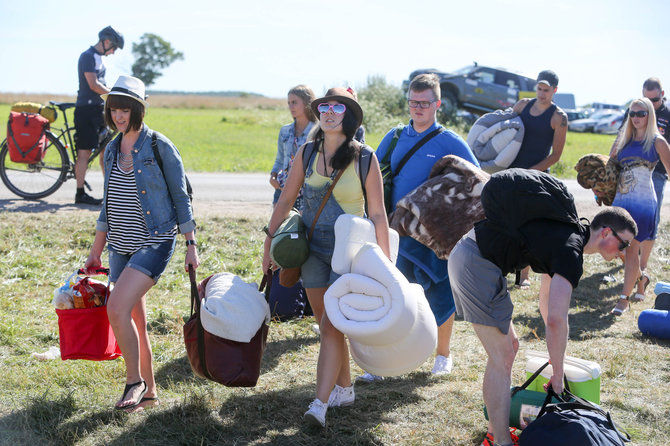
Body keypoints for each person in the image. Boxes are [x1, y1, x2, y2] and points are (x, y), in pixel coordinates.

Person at [448, 176, 637, 446]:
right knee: (501, 355)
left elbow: (547, 307)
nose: (623, 252)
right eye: (624, 244)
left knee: (509, 348)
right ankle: (499, 441)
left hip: (475, 257)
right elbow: (557, 321)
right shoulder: (570, 251)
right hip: (476, 262)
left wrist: (555, 361)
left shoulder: (568, 235)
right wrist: (557, 374)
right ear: (606, 232)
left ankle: (495, 432)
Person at [262, 87, 390, 427]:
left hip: (348, 251)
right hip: (312, 251)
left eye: (338, 107)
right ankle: (345, 388)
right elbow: (286, 200)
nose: (330, 112)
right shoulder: (306, 152)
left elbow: (378, 215)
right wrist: (268, 245)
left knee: (333, 324)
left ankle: (318, 404)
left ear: (347, 116)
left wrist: (385, 263)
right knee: (325, 325)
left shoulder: (365, 158)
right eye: (325, 107)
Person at [84, 75, 199, 411]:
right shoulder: (109, 150)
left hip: (154, 240)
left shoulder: (158, 146)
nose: (120, 116)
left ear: (138, 110)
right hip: (120, 245)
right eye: (114, 110)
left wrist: (191, 244)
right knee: (136, 320)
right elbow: (107, 203)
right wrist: (95, 251)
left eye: (126, 109)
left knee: (116, 308)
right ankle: (149, 393)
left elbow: (181, 197)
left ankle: (132, 381)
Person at [366, 73, 480, 381]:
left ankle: (443, 355)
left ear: (437, 104)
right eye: (413, 102)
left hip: (433, 234)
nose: (417, 108)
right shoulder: (394, 136)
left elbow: (476, 178)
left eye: (424, 103)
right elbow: (372, 172)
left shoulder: (449, 140)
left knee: (439, 291)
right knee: (391, 293)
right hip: (394, 230)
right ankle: (384, 360)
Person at [609, 98, 670, 315]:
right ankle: (641, 279)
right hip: (621, 201)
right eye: (632, 113)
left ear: (649, 115)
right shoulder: (623, 140)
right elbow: (610, 167)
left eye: (641, 113)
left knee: (632, 247)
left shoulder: (657, 142)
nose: (636, 118)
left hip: (643, 202)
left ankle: (623, 299)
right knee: (619, 248)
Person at [509, 70, 569, 289]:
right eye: (539, 89)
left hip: (536, 176)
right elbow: (502, 130)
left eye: (546, 90)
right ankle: (503, 265)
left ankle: (523, 275)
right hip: (510, 171)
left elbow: (556, 155)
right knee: (505, 219)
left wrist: (531, 171)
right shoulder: (522, 105)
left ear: (554, 90)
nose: (542, 94)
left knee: (529, 225)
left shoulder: (558, 117)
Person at [74, 26, 124, 205]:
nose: (113, 53)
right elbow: (94, 85)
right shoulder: (87, 56)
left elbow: (101, 85)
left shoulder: (99, 59)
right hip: (86, 111)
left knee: (107, 151)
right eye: (114, 48)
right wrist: (115, 95)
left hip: (99, 111)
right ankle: (80, 193)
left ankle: (110, 194)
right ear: (107, 42)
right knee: (84, 153)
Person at [270, 85, 318, 207]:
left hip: (307, 191)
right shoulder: (285, 130)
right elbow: (280, 158)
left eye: (294, 102)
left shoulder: (318, 131)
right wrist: (273, 176)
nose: (291, 107)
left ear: (307, 103)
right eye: (289, 103)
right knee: (277, 225)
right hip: (283, 187)